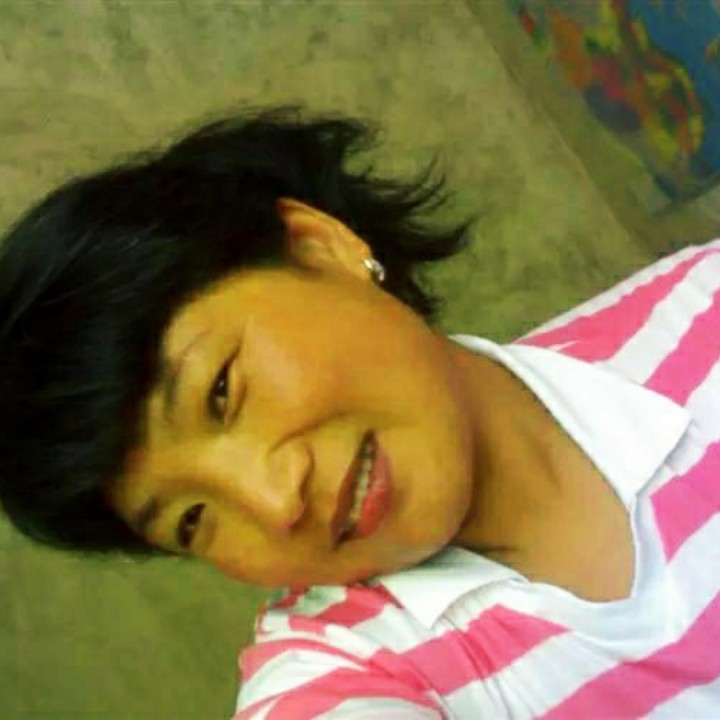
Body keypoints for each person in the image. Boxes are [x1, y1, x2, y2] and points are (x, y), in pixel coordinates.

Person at [0, 103, 718, 719]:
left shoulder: (703, 307)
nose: (273, 501)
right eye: (191, 520)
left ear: (322, 247)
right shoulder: (341, 676)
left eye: (221, 391)